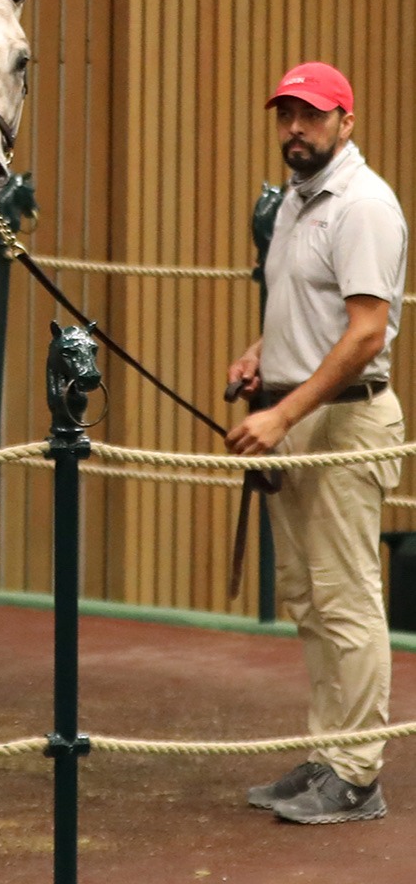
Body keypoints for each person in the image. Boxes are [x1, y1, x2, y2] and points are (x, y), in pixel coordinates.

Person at [228, 61, 407, 825]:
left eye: (311, 115)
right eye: (286, 115)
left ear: (346, 122)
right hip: (300, 417)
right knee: (307, 598)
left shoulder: (362, 205)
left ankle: (359, 775)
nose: (295, 128)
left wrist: (282, 413)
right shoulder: (299, 204)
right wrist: (261, 353)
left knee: (347, 601)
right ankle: (331, 753)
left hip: (343, 422)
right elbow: (316, 310)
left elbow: (367, 334)